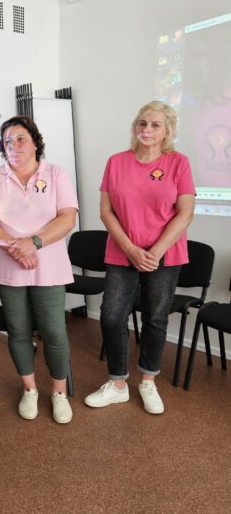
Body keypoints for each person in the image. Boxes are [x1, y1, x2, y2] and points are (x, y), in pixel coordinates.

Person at [84, 100, 195, 414]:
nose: (147, 129)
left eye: (155, 125)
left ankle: (148, 380)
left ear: (167, 132)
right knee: (111, 316)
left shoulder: (178, 163)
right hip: (122, 251)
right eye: (142, 123)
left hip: (164, 255)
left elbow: (185, 213)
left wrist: (154, 252)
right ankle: (118, 384)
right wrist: (131, 249)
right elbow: (106, 211)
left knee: (155, 318)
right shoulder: (116, 162)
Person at [0, 115, 78, 424]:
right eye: (8, 141)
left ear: (35, 143)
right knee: (18, 330)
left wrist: (33, 243)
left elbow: (67, 217)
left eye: (21, 138)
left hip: (49, 264)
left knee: (54, 331)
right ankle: (30, 389)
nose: (14, 145)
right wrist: (15, 246)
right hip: (8, 266)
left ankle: (59, 392)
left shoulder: (55, 173)